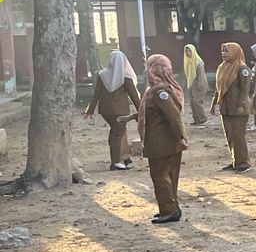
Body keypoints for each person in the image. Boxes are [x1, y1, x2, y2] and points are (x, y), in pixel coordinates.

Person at [139, 54, 187, 223]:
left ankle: (169, 210)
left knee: (161, 176)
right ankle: (171, 207)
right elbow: (151, 112)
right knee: (169, 175)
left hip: (162, 142)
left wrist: (180, 137)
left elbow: (173, 116)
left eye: (150, 67)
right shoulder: (157, 90)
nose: (147, 71)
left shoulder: (159, 91)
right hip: (166, 141)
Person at [86, 50, 140, 171]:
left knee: (116, 131)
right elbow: (134, 96)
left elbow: (96, 94)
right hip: (121, 111)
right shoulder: (125, 76)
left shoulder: (102, 75)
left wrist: (90, 110)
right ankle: (115, 162)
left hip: (106, 110)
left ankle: (122, 157)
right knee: (118, 132)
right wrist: (142, 110)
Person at [211, 41, 252, 172]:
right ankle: (235, 161)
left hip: (238, 108)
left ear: (235, 52)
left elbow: (245, 89)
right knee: (229, 135)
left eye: (227, 51)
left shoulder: (242, 68)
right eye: (223, 51)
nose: (223, 54)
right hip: (226, 107)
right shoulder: (222, 68)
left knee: (238, 135)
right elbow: (218, 88)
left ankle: (243, 162)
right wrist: (214, 103)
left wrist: (240, 104)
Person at [182, 43, 209, 126]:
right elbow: (187, 75)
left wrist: (199, 85)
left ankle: (202, 119)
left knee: (197, 102)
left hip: (199, 84)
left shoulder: (198, 61)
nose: (188, 53)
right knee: (192, 102)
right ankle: (196, 119)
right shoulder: (187, 61)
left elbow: (200, 75)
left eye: (189, 51)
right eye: (186, 51)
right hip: (192, 84)